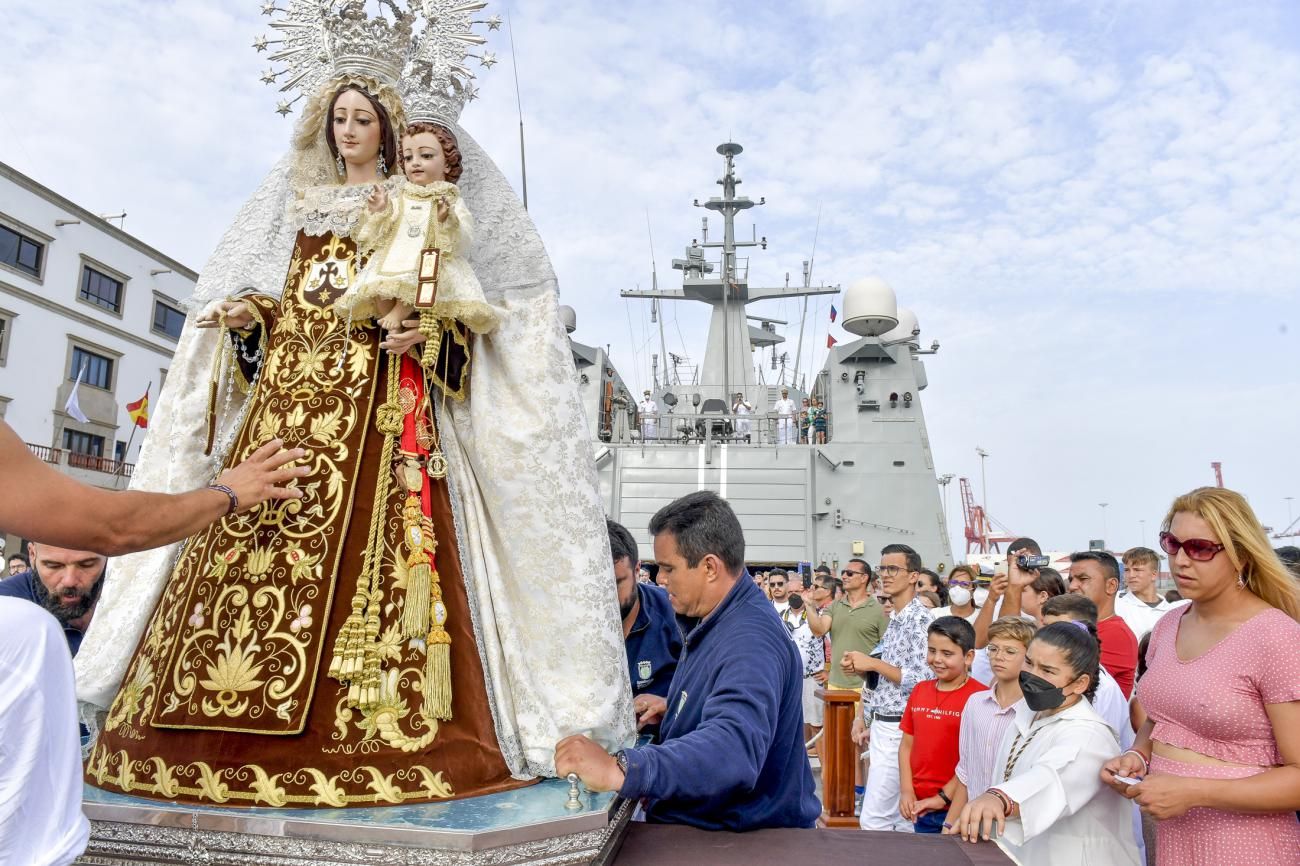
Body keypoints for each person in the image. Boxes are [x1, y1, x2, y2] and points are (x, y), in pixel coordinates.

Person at [76, 5, 632, 809]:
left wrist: (425, 331)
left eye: (362, 118)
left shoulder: (418, 206)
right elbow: (289, 316)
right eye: (337, 116)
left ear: (388, 127)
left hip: (377, 422)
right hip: (283, 418)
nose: (347, 130)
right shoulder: (300, 211)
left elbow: (455, 304)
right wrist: (249, 323)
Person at [555, 492, 820, 830]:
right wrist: (681, 707)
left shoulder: (749, 641)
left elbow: (732, 751)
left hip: (732, 837)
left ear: (709, 567)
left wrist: (619, 768)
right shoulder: (721, 618)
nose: (661, 579)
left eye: (668, 568)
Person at [1102, 487, 1300, 864]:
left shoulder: (1275, 636)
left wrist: (1195, 792)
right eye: (1172, 543)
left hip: (1246, 845)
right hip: (1174, 837)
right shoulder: (1168, 624)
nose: (1180, 561)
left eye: (1200, 548)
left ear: (1241, 555)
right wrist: (1138, 756)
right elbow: (1164, 718)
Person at [948, 622, 1141, 865]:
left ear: (1080, 683)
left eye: (1047, 671)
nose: (1032, 676)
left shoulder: (1088, 734)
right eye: (1029, 663)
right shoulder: (1028, 713)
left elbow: (1052, 779)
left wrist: (999, 798)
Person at [335, 123, 496, 338]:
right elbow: (375, 236)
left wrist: (446, 219)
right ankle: (392, 324)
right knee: (377, 285)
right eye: (409, 158)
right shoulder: (400, 197)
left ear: (447, 164)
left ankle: (400, 314)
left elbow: (463, 238)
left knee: (420, 275)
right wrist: (380, 210)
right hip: (394, 256)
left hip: (428, 259)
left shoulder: (449, 198)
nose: (415, 163)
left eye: (426, 156)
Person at [844, 543, 934, 832]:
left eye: (893, 569)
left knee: (875, 820)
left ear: (913, 576)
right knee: (898, 818)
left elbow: (922, 678)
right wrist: (864, 715)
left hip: (900, 729)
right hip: (887, 725)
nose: (885, 574)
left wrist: (872, 663)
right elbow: (886, 679)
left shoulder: (919, 620)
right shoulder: (896, 619)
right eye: (882, 568)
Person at [898, 616, 987, 833]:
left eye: (947, 654)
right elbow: (906, 745)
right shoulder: (920, 690)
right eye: (932, 650)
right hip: (921, 805)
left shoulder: (981, 697)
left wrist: (942, 797)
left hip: (958, 806)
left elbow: (974, 759)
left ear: (968, 657)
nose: (937, 659)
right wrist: (907, 790)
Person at [946, 617, 1036, 822]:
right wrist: (950, 823)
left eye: (1010, 651)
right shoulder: (975, 703)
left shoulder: (1035, 712)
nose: (999, 657)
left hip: (1014, 826)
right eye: (993, 649)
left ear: (1029, 657)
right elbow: (965, 772)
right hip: (973, 822)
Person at [608, 518, 681, 739]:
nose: (605, 596)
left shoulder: (675, 614)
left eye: (616, 583)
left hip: (663, 749)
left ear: (637, 570)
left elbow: (711, 691)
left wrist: (670, 705)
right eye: (597, 587)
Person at [0, 544, 105, 656]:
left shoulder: (122, 590)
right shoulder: (5, 602)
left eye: (86, 565)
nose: (69, 581)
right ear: (32, 555)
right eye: (53, 566)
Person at [804, 559, 886, 692]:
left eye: (849, 573)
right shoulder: (835, 606)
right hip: (834, 684)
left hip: (865, 687)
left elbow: (886, 650)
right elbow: (819, 631)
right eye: (843, 573)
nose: (843, 577)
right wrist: (809, 605)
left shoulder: (879, 610)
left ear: (864, 578)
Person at [1068, 550, 1140, 698]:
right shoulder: (1078, 628)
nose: (1073, 586)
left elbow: (1062, 681)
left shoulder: (1117, 635)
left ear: (1111, 585)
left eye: (1083, 579)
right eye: (1071, 580)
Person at [785, 576, 834, 754]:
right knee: (796, 723)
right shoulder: (783, 616)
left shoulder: (818, 615)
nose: (793, 595)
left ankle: (825, 773)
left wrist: (830, 671)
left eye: (796, 591)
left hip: (813, 678)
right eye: (789, 592)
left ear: (805, 592)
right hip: (792, 679)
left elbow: (833, 643)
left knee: (816, 725)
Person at [1115, 545, 1186, 638]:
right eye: (1127, 570)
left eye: (1137, 570)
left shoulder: (1173, 610)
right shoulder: (1115, 604)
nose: (1131, 575)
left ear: (1154, 574)